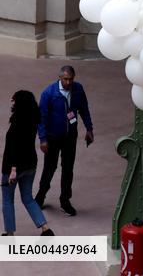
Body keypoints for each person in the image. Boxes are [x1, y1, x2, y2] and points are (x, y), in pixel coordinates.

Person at [35, 66, 93, 216]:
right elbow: (41, 118)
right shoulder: (49, 93)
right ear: (59, 78)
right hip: (53, 138)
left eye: (71, 79)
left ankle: (65, 200)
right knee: (49, 168)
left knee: (68, 169)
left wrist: (89, 129)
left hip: (70, 137)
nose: (68, 82)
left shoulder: (78, 89)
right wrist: (43, 139)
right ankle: (40, 197)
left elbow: (84, 109)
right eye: (65, 79)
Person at [2, 91, 53, 236]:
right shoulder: (33, 120)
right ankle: (45, 229)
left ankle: (10, 234)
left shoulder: (17, 123)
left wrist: (13, 169)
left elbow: (14, 148)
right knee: (28, 198)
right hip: (30, 165)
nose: (12, 102)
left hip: (13, 167)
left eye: (15, 100)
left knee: (7, 200)